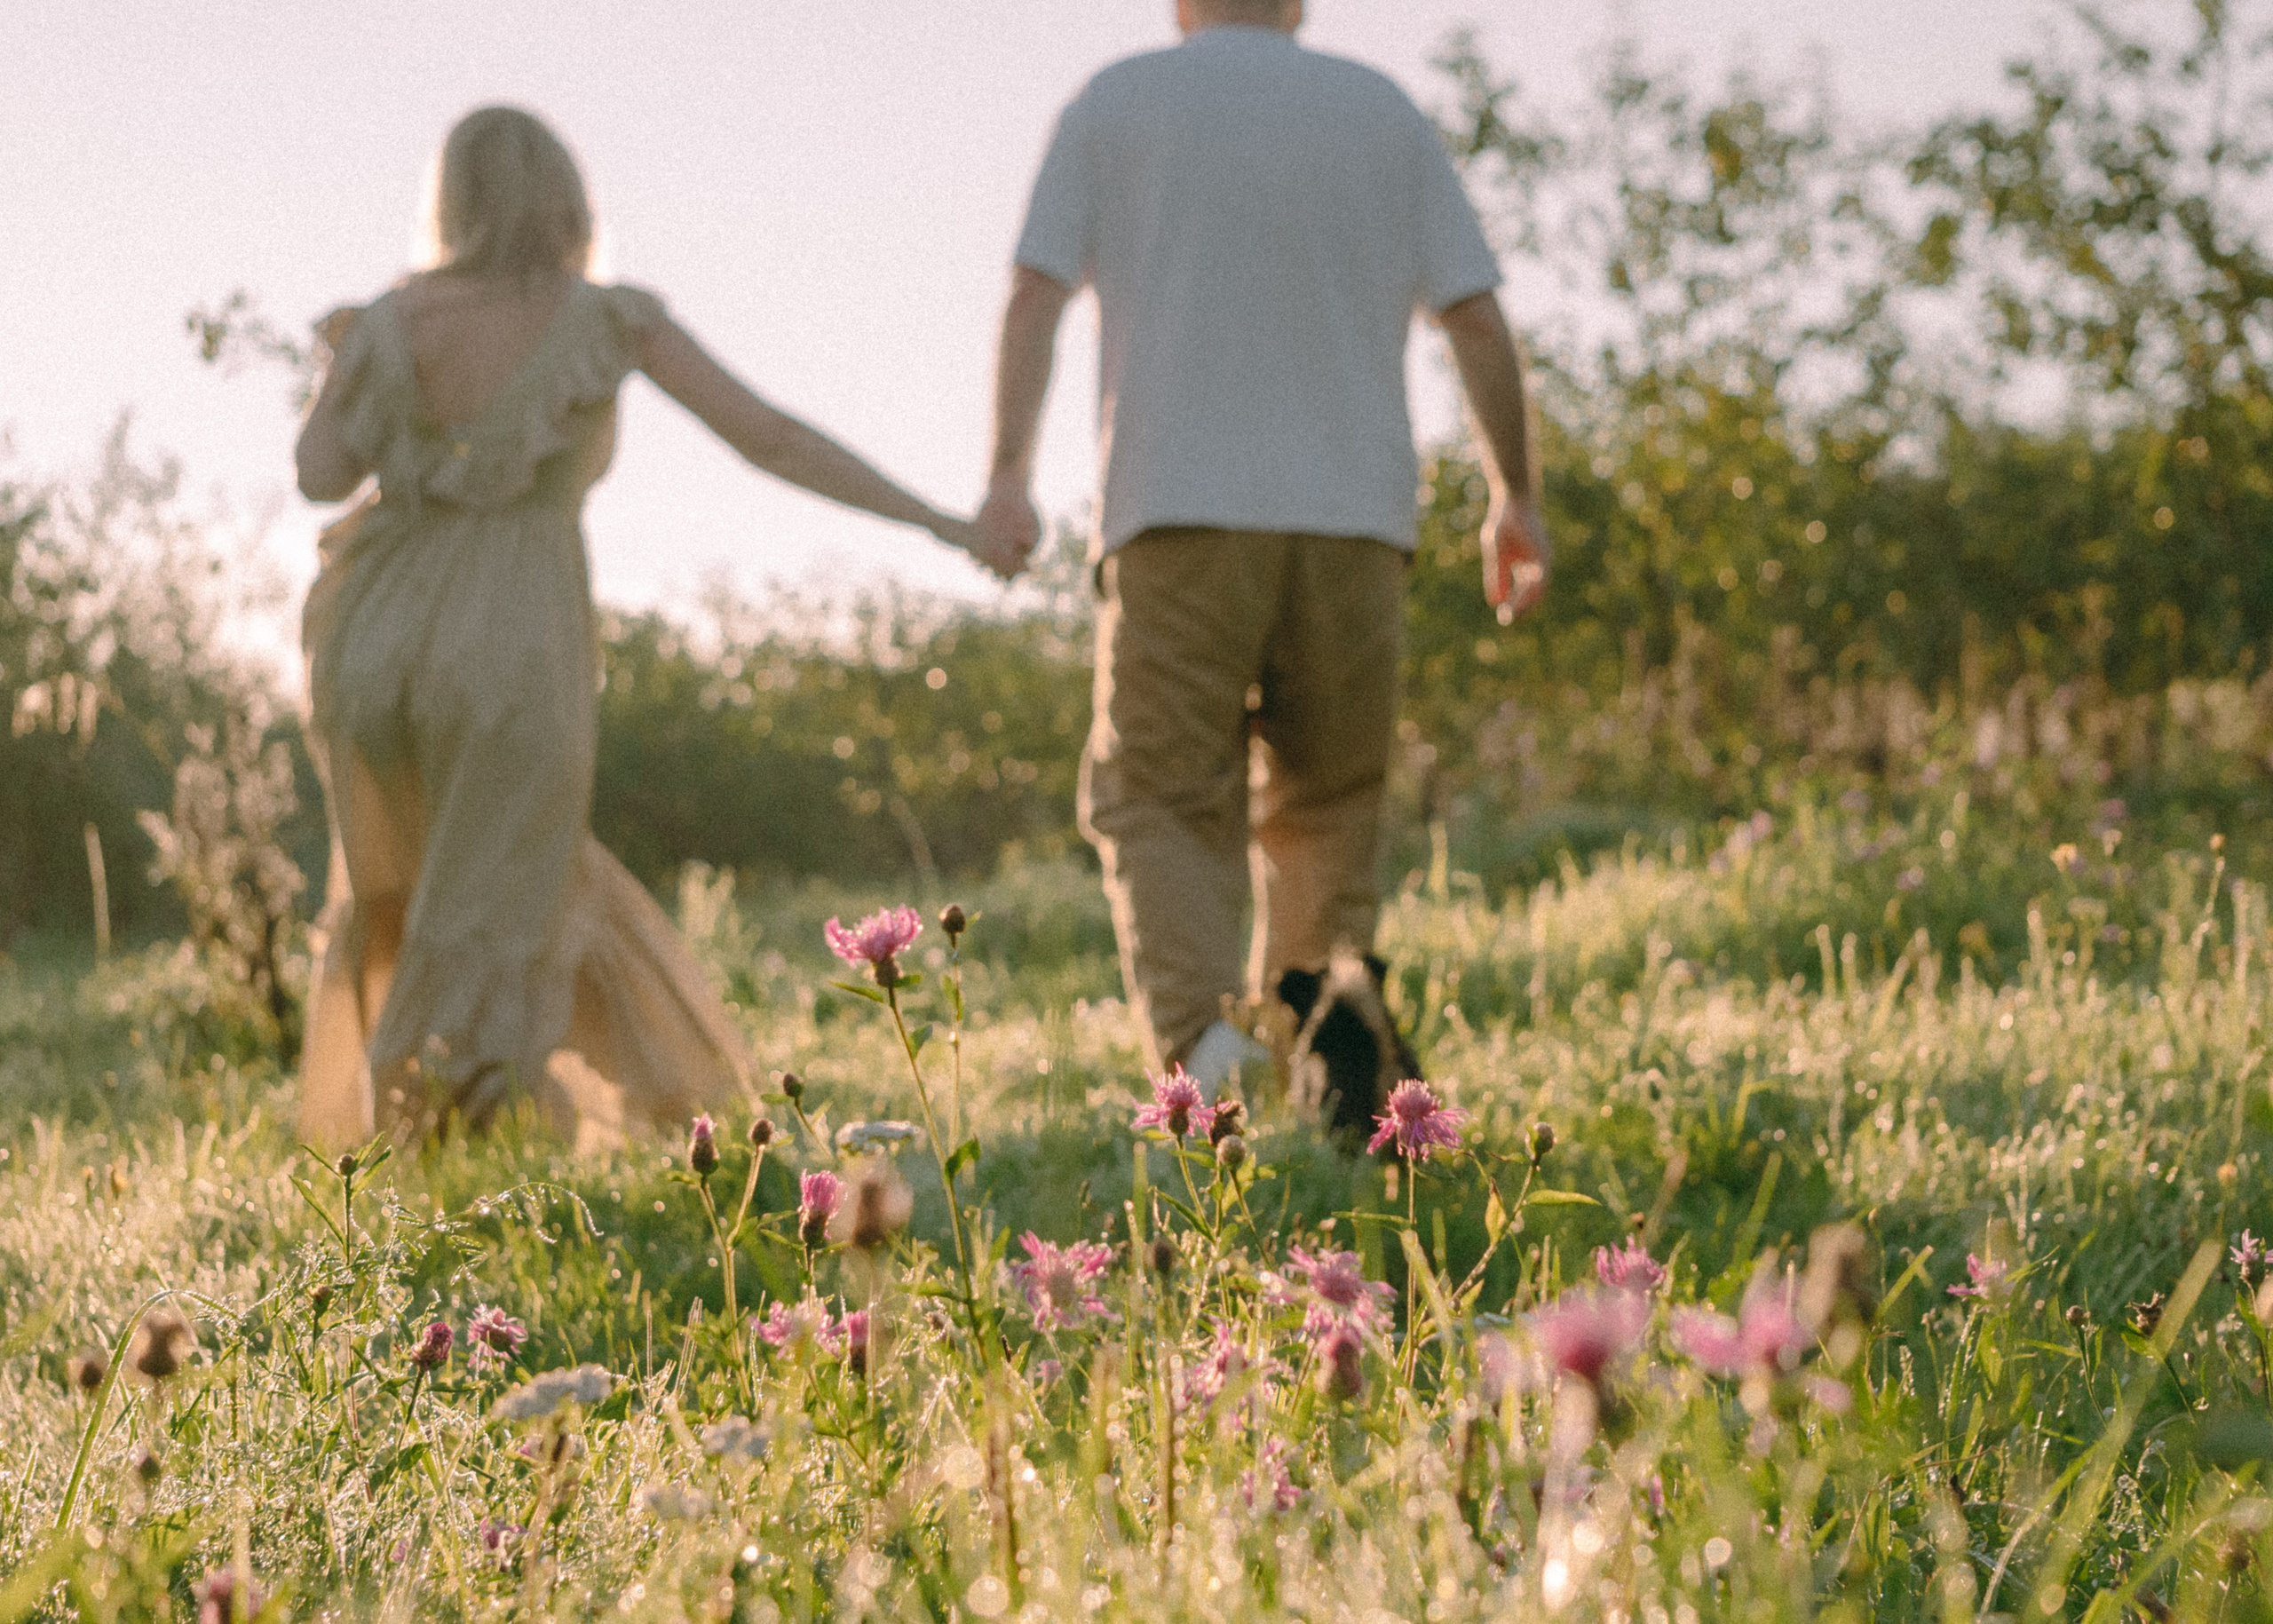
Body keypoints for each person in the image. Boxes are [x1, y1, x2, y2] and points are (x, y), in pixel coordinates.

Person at [294, 106, 981, 1148]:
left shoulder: (386, 322)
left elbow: (317, 474)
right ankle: (448, 1143)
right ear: (567, 203)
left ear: (449, 201)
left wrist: (357, 376)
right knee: (500, 892)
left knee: (403, 887)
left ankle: (422, 1140)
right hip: (513, 631)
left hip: (373, 633)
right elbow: (772, 439)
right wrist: (933, 517)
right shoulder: (604, 318)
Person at [977, 0, 1549, 1101]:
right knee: (1327, 801)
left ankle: (1206, 1053)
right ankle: (1328, 1053)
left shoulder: (1115, 101)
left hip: (1174, 507)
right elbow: (1475, 320)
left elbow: (1035, 293)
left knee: (1156, 791)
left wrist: (1008, 471)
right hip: (1357, 525)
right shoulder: (1380, 111)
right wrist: (1514, 494)